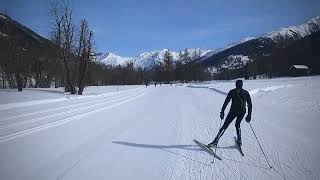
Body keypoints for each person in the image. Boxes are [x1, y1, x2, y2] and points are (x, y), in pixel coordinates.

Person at [208, 80, 252, 147]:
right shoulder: (246, 92)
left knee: (225, 125)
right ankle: (239, 140)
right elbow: (250, 104)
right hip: (242, 112)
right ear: (242, 85)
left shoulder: (232, 92)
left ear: (235, 84)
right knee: (237, 124)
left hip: (233, 111)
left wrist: (222, 111)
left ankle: (215, 141)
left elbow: (226, 102)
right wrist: (249, 115)